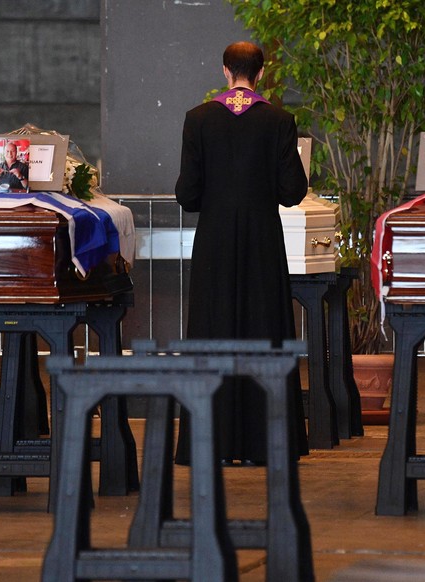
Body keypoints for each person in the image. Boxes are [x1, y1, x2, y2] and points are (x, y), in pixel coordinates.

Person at [173, 41, 309, 466]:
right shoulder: (280, 120)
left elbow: (187, 195)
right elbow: (293, 192)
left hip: (214, 242)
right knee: (263, 332)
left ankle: (210, 442)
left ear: (225, 71)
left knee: (214, 331)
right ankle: (264, 444)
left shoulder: (198, 119)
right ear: (262, 73)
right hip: (262, 244)